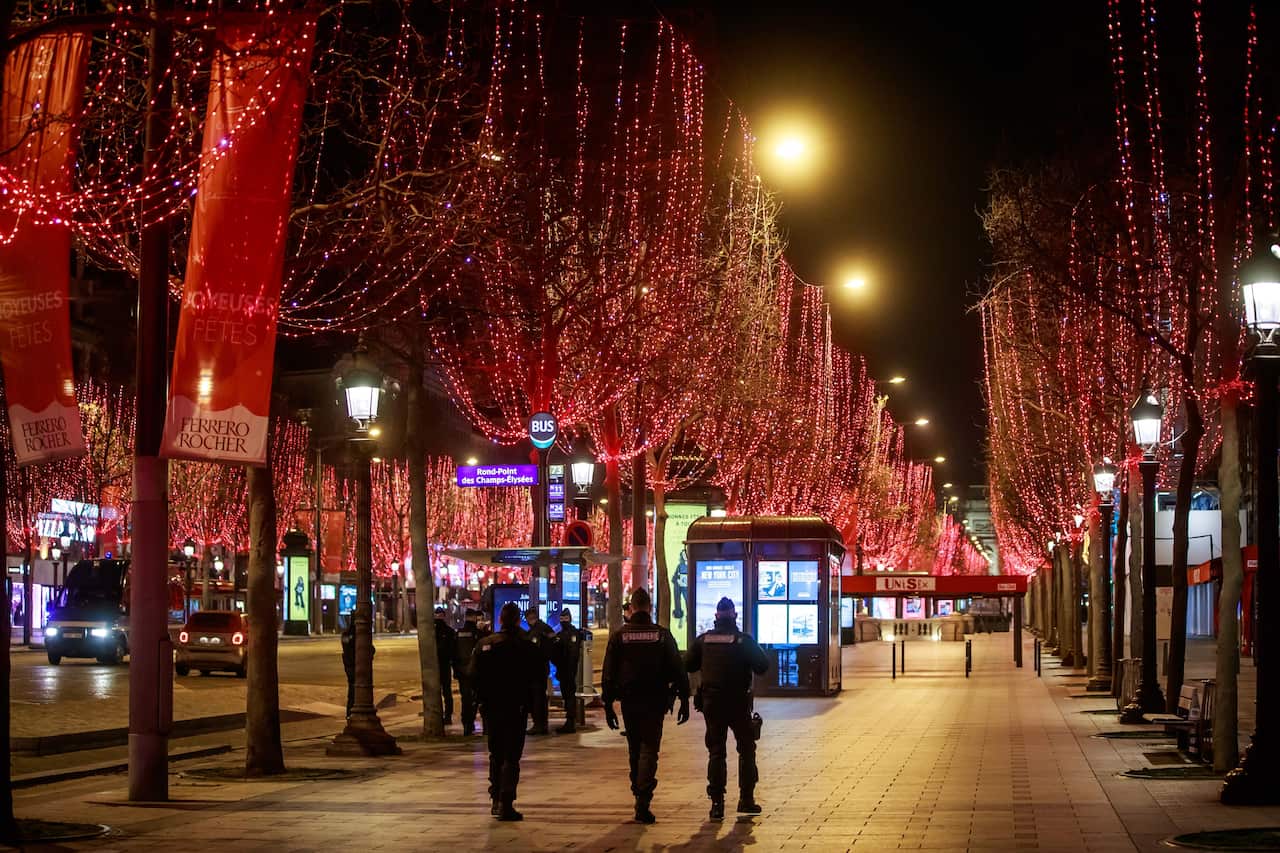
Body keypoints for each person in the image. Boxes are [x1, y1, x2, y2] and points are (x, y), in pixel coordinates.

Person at [601, 587, 689, 824]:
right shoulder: (661, 635)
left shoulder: (619, 636)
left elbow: (608, 673)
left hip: (629, 701)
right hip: (655, 701)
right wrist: (683, 700)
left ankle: (638, 792)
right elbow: (678, 670)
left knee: (634, 748)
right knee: (649, 749)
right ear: (649, 607)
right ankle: (643, 799)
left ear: (631, 608)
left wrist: (608, 705)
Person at [685, 596, 770, 820]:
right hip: (738, 702)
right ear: (735, 616)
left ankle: (717, 804)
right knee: (747, 748)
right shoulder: (743, 640)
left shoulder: (704, 640)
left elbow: (688, 664)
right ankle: (746, 799)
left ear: (715, 617)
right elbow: (762, 666)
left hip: (712, 703)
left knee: (716, 751)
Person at [473, 602, 542, 821]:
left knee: (496, 753)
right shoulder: (526, 646)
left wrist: (481, 701)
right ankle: (506, 802)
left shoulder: (485, 644)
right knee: (511, 757)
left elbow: (473, 675)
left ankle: (495, 800)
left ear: (501, 620)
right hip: (516, 707)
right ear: (516, 620)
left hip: (492, 707)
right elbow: (537, 677)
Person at [455, 608, 489, 735]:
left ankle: (467, 726)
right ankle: (485, 727)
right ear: (474, 618)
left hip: (462, 673)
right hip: (477, 672)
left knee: (466, 700)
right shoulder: (479, 634)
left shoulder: (458, 633)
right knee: (481, 699)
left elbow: (454, 654)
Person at [553, 607, 585, 734]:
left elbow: (573, 654)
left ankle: (570, 722)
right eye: (562, 619)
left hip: (568, 671)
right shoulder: (561, 634)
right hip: (563, 670)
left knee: (569, 695)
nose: (563, 621)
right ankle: (569, 720)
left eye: (565, 619)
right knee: (567, 696)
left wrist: (569, 669)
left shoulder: (573, 633)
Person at [524, 607, 555, 735]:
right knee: (541, 696)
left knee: (537, 697)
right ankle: (542, 724)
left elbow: (534, 651)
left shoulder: (537, 631)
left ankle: (539, 724)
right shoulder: (544, 628)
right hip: (542, 668)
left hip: (536, 669)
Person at [434, 605, 458, 725]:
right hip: (445, 665)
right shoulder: (449, 631)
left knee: (436, 691)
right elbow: (453, 651)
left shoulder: (431, 631)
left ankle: (438, 715)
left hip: (435, 666)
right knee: (447, 692)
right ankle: (447, 716)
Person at [341, 617, 357, 717]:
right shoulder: (357, 634)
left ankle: (349, 712)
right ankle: (351, 712)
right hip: (353, 663)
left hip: (348, 663)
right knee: (354, 690)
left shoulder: (345, 634)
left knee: (352, 690)